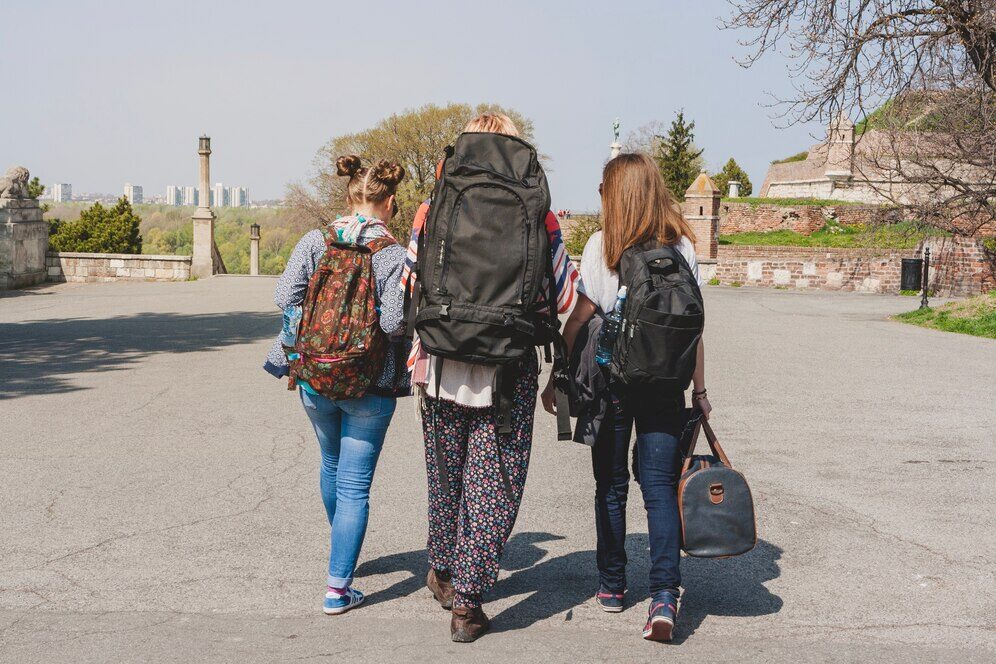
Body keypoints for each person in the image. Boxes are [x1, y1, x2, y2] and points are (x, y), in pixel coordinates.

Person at [403, 113, 580, 642]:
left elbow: (413, 276)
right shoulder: (538, 211)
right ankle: (469, 603)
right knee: (493, 479)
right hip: (508, 364)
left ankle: (442, 570)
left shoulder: (434, 204)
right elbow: (565, 293)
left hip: (440, 356)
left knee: (445, 470)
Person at [541, 152, 712, 642]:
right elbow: (695, 330)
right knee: (659, 488)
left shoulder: (602, 246)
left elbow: (577, 320)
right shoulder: (683, 246)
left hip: (612, 384)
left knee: (611, 485)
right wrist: (699, 391)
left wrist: (557, 376)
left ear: (615, 196)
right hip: (665, 386)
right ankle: (664, 595)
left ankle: (613, 586)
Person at [264, 156, 409, 615]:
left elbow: (284, 296)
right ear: (390, 202)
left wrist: (313, 336)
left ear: (349, 197)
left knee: (330, 463)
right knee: (355, 486)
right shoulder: (393, 254)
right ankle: (337, 586)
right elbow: (393, 320)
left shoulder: (315, 240)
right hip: (370, 381)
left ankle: (341, 560)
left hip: (315, 377)